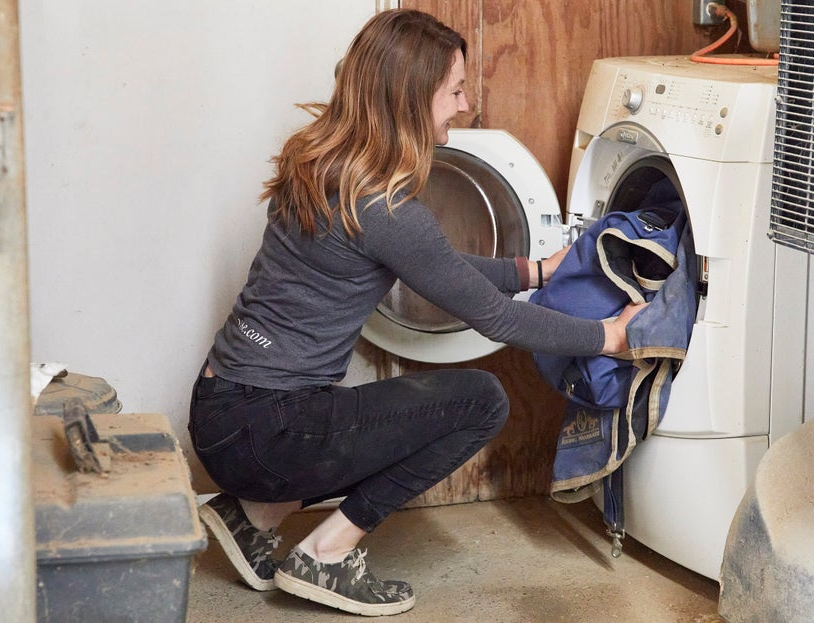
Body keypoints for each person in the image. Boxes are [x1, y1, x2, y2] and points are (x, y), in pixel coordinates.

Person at [187, 8, 643, 617]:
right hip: (271, 432)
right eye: (454, 90)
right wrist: (608, 337)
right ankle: (325, 554)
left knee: (343, 413)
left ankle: (252, 515)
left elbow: (438, 267)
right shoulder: (386, 208)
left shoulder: (319, 163)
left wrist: (531, 273)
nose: (464, 104)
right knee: (482, 401)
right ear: (409, 97)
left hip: (221, 415)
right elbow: (497, 321)